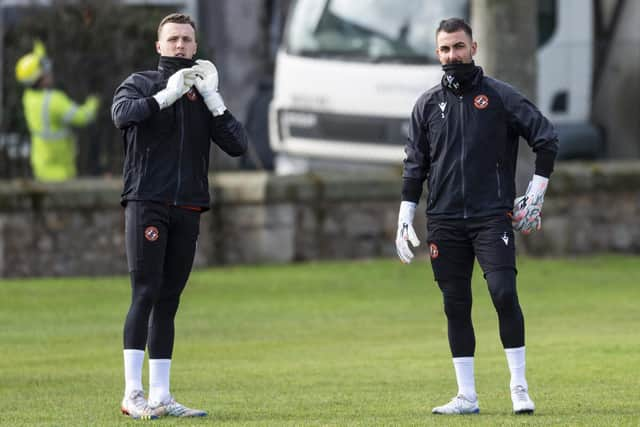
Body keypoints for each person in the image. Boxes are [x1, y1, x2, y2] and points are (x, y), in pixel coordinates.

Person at [395, 18, 558, 415]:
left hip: (491, 217)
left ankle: (519, 387)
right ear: (438, 54)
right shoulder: (427, 105)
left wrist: (535, 192)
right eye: (446, 49)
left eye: (459, 47)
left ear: (474, 47)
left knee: (504, 293)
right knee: (455, 304)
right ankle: (466, 396)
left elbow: (546, 138)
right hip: (444, 221)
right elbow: (415, 165)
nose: (453, 55)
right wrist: (405, 215)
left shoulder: (499, 97)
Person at [111, 13, 248, 419]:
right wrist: (163, 98)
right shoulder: (141, 83)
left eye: (187, 40)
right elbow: (122, 115)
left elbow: (237, 145)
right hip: (147, 201)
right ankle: (132, 393)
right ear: (159, 46)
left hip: (188, 205)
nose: (180, 47)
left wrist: (214, 100)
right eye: (172, 39)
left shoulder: (202, 92)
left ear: (195, 46)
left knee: (169, 301)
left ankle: (161, 395)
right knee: (145, 292)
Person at [15, 40, 99, 181]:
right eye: (45, 71)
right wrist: (94, 101)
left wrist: (39, 46)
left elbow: (33, 68)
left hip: (41, 166)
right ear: (39, 78)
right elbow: (84, 117)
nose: (49, 72)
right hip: (60, 172)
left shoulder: (28, 98)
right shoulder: (54, 101)